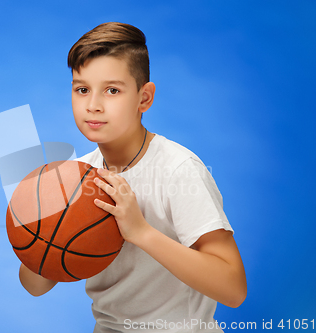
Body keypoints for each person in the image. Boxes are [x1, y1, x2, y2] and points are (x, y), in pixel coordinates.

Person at [19, 22, 246, 332]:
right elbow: (35, 286)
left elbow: (233, 289)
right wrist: (40, 233)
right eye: (82, 89)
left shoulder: (178, 169)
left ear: (144, 98)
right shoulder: (76, 176)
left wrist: (141, 231)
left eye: (112, 90)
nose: (93, 105)